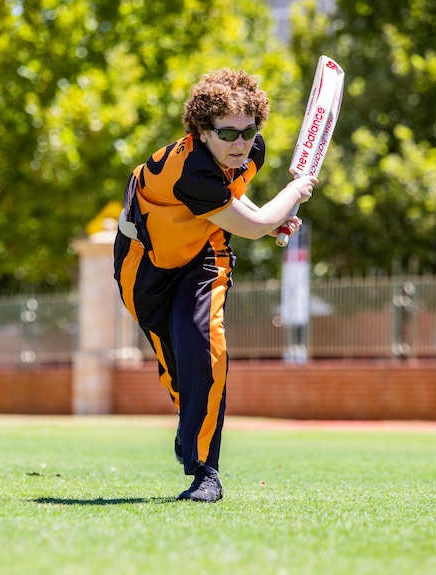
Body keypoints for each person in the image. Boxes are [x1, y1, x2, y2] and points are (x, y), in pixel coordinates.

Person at [113, 69, 316, 503]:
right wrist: (292, 195)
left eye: (249, 131)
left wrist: (270, 217)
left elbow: (236, 203)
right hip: (144, 264)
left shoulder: (247, 152)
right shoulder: (190, 173)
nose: (241, 143)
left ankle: (206, 471)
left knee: (204, 346)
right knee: (180, 370)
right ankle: (191, 427)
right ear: (202, 131)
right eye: (228, 133)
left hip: (204, 252)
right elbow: (256, 223)